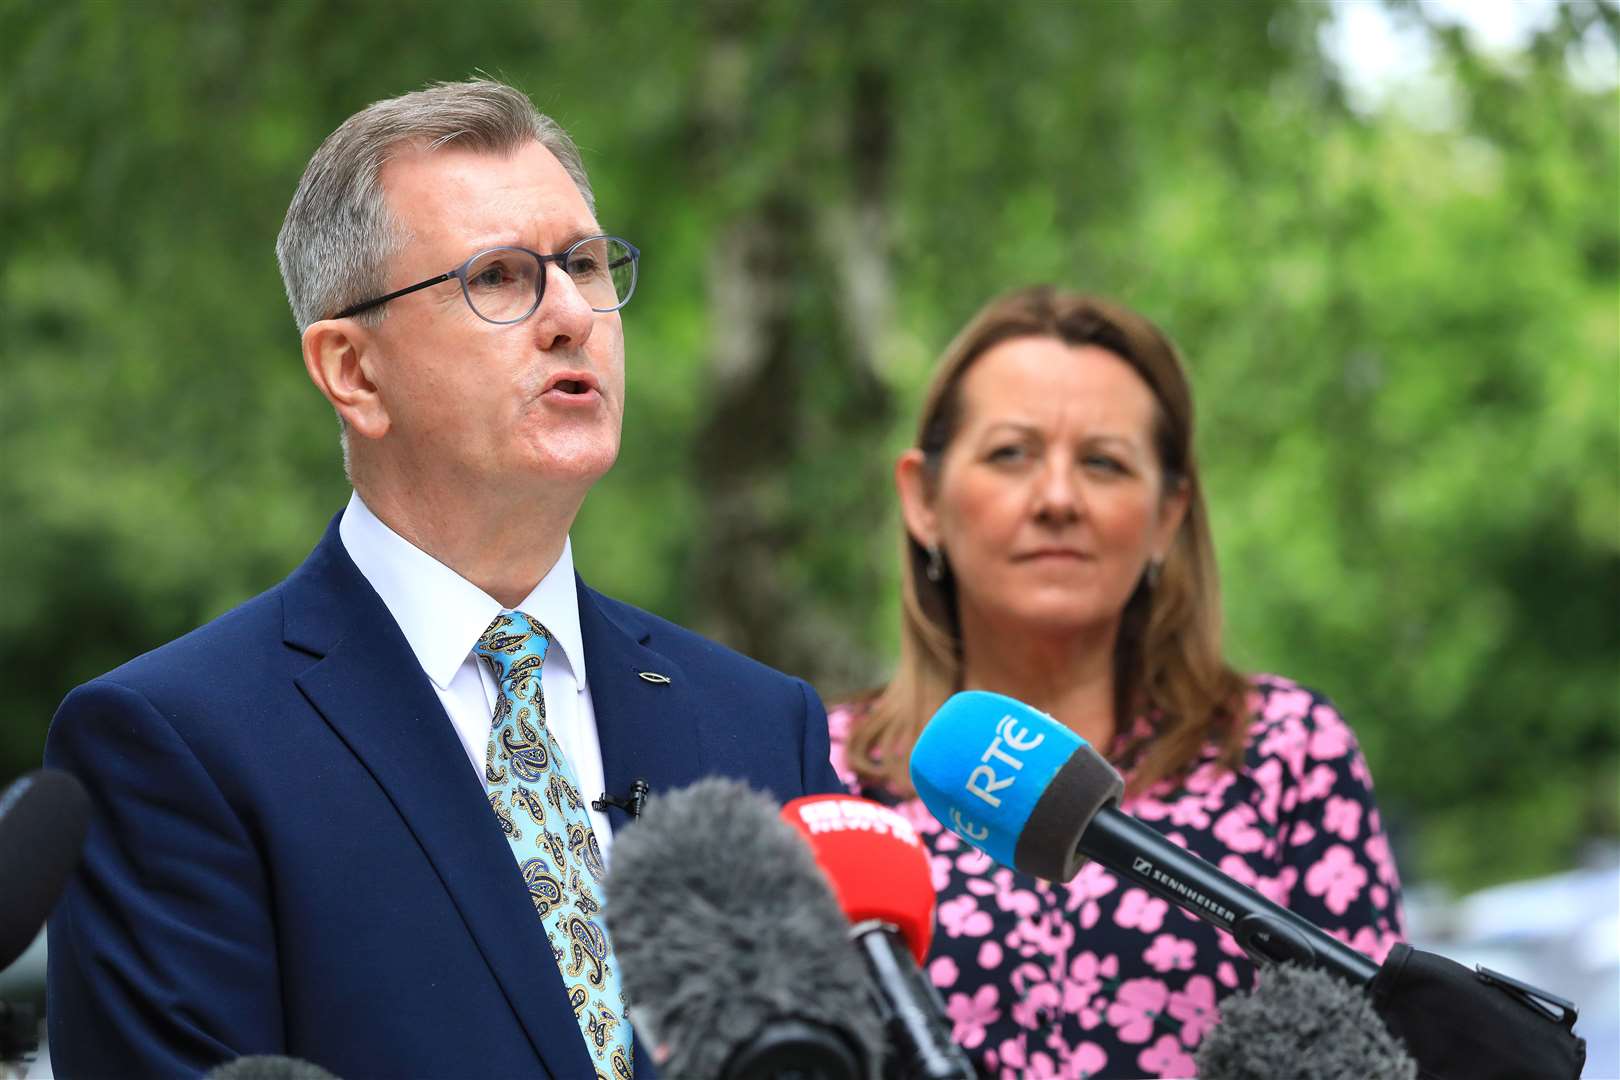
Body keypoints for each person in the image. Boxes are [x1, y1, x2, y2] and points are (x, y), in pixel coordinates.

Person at [44, 79, 842, 1080]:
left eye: (586, 265)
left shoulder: (763, 726)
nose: (570, 316)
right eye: (500, 278)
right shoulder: (173, 745)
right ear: (353, 371)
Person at [828, 286, 1404, 1079]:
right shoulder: (822, 770)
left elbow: (1377, 1049)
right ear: (923, 499)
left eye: (1103, 463)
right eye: (1010, 455)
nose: (1058, 500)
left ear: (1168, 514)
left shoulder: (1285, 753)